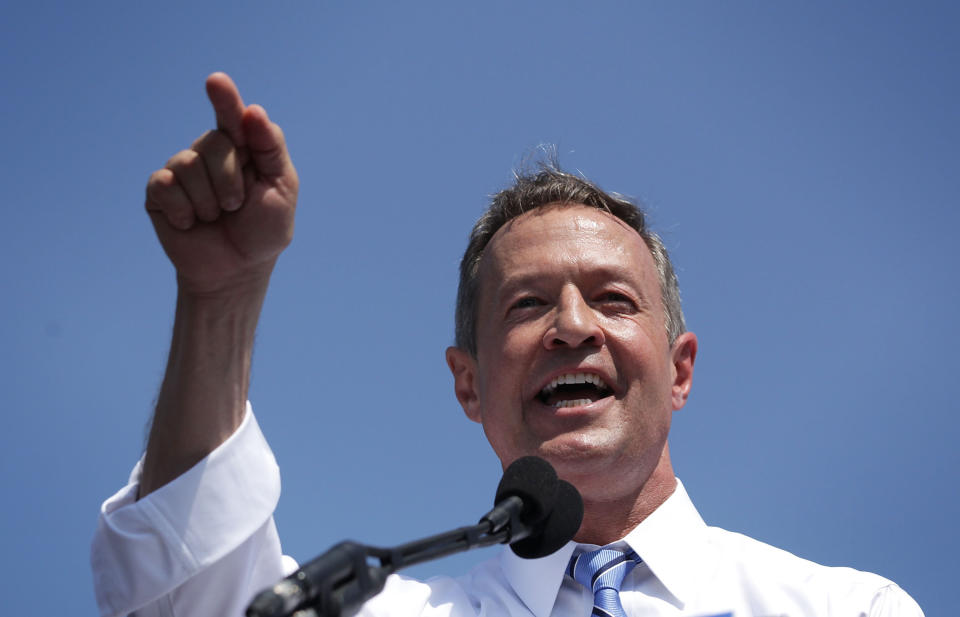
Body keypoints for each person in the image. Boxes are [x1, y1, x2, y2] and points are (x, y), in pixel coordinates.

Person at [92, 73, 924, 617]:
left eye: (612, 298)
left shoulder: (847, 606)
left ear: (679, 370)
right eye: (528, 304)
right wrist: (221, 297)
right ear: (469, 385)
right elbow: (182, 594)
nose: (572, 325)